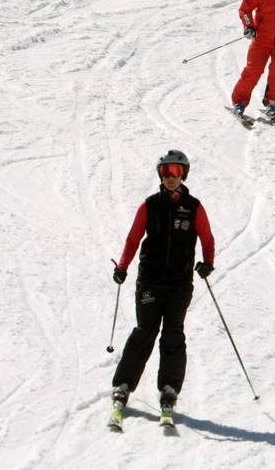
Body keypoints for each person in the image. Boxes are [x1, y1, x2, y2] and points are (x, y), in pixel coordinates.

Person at [109, 150, 216, 427]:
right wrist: (122, 266)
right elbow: (133, 239)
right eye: (166, 171)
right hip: (150, 280)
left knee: (173, 333)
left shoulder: (194, 207)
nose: (170, 176)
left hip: (180, 283)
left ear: (184, 174)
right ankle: (123, 385)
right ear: (160, 175)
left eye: (176, 172)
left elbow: (207, 238)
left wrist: (208, 263)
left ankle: (169, 390)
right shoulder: (150, 205)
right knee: (144, 332)